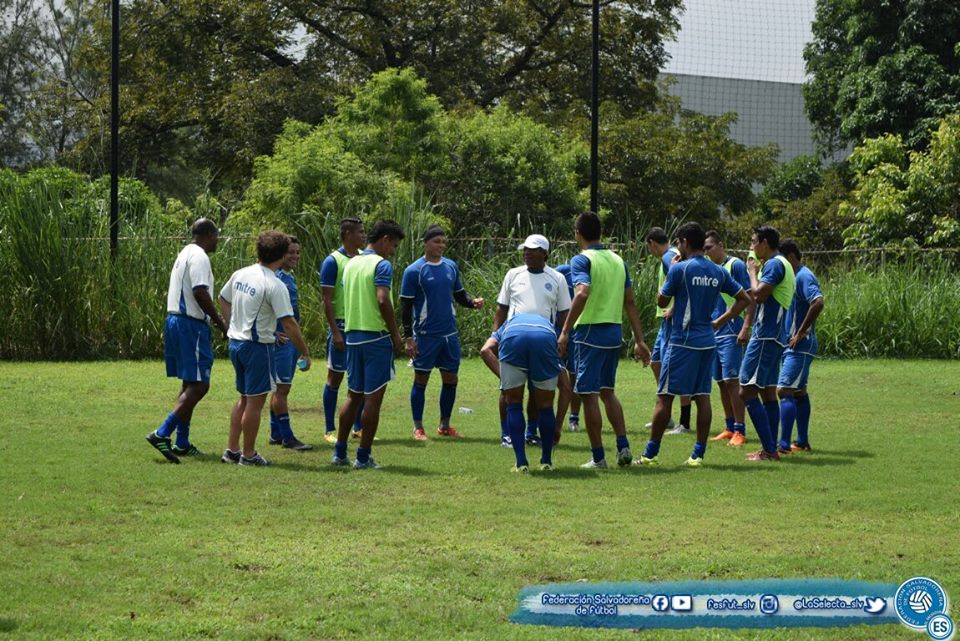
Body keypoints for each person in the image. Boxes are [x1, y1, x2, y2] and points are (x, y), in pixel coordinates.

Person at [637, 223, 750, 467]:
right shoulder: (718, 271)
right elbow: (744, 298)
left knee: (664, 397)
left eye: (679, 243)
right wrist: (720, 321)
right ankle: (697, 455)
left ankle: (649, 454)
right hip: (707, 341)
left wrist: (673, 272)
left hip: (682, 342)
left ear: (686, 243)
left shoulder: (681, 269)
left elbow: (661, 299)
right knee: (702, 397)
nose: (678, 247)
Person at [558, 212, 651, 469]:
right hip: (614, 334)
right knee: (608, 392)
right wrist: (640, 340)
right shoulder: (618, 260)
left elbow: (582, 292)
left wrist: (565, 330)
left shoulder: (581, 260)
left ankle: (598, 457)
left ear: (578, 233)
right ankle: (623, 448)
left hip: (589, 333)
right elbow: (630, 301)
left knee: (588, 395)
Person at [219, 231, 311, 466]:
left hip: (236, 344)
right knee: (254, 403)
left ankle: (232, 450)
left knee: (243, 398)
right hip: (257, 347)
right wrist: (305, 351)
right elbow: (289, 323)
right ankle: (248, 455)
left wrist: (231, 325)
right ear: (280, 255)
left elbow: (223, 298)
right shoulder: (274, 284)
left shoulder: (241, 273)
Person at [146, 218, 229, 464]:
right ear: (208, 235)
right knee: (200, 385)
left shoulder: (184, 252)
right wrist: (220, 323)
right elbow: (199, 291)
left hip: (176, 320)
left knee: (189, 382)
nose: (218, 240)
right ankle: (162, 433)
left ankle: (181, 441)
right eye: (216, 235)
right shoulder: (200, 256)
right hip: (189, 324)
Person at [333, 220, 406, 469]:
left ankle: (340, 452)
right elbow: (383, 299)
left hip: (352, 336)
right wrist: (396, 335)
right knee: (373, 399)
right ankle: (363, 457)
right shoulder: (381, 265)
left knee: (353, 396)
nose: (393, 251)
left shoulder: (352, 263)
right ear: (385, 239)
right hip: (376, 338)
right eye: (393, 245)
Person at [400, 225, 484, 440]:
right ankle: (418, 428)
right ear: (426, 243)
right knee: (421, 380)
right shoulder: (414, 271)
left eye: (444, 242)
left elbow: (459, 295)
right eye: (437, 241)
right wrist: (408, 337)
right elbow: (406, 307)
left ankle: (444, 425)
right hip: (425, 336)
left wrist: (472, 303)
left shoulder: (451, 267)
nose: (441, 246)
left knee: (451, 380)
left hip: (449, 335)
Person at [493, 235, 572, 447]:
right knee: (507, 389)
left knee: (538, 390)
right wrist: (496, 335)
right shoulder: (513, 274)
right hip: (513, 339)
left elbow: (565, 313)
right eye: (525, 249)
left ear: (545, 253)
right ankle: (506, 433)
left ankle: (530, 432)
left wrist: (563, 338)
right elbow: (502, 308)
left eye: (533, 250)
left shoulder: (557, 278)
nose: (527, 253)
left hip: (543, 341)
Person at [739, 225, 795, 461]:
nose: (751, 247)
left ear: (764, 242)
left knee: (746, 390)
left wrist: (752, 271)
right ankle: (769, 448)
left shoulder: (773, 264)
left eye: (753, 242)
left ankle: (770, 450)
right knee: (767, 393)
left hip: (766, 336)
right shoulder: (783, 264)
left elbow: (758, 294)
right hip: (775, 337)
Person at [480, 314, 562, 472]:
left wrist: (506, 378)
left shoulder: (508, 324)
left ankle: (521, 463)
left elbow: (485, 350)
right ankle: (546, 461)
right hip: (544, 338)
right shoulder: (549, 324)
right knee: (546, 406)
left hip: (513, 338)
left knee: (514, 404)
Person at [704, 230, 754, 447]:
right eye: (704, 248)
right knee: (721, 381)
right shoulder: (711, 269)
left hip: (731, 330)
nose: (706, 252)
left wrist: (746, 326)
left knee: (733, 380)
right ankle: (729, 425)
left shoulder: (735, 265)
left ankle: (740, 430)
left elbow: (750, 297)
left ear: (720, 245)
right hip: (714, 330)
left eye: (709, 247)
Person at [318, 218, 366, 443]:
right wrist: (335, 331)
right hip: (341, 326)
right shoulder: (333, 261)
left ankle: (358, 427)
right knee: (335, 377)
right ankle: (329, 429)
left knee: (360, 380)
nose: (364, 236)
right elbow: (326, 300)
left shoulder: (364, 259)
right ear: (347, 234)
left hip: (360, 326)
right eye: (360, 232)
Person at [777, 240, 824, 453]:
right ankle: (802, 441)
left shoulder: (804, 276)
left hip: (800, 345)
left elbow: (818, 302)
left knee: (783, 389)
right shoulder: (792, 277)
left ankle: (784, 445)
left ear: (790, 257)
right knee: (798, 392)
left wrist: (801, 331)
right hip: (793, 344)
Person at [644, 227, 692, 434]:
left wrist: (674, 308)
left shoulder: (668, 258)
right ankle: (667, 417)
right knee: (656, 362)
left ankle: (685, 422)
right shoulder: (671, 256)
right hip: (665, 324)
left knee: (676, 371)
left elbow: (684, 284)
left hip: (673, 323)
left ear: (652, 243)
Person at [267, 236, 312, 451]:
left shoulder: (288, 277)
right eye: (290, 253)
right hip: (282, 343)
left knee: (279, 389)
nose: (295, 257)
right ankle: (287, 437)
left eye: (297, 252)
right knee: (281, 389)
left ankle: (275, 433)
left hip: (290, 341)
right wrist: (272, 332)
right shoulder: (274, 278)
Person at [554, 262, 581, 432]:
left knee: (574, 374)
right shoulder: (563, 271)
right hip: (559, 330)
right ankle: (548, 417)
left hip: (579, 332)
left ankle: (574, 417)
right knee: (552, 373)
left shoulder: (592, 275)